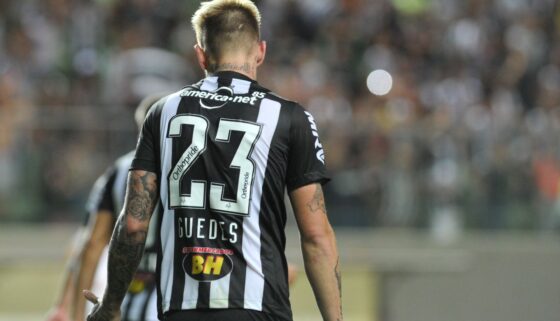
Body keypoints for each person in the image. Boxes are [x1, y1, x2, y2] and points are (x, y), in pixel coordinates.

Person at [85, 1, 342, 321]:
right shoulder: (290, 118)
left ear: (201, 55)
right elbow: (316, 237)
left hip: (182, 308)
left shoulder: (163, 112)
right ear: (260, 51)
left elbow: (134, 224)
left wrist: (110, 306)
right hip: (259, 309)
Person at [45, 94, 164, 321]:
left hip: (128, 293)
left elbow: (91, 243)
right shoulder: (193, 167)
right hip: (178, 294)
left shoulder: (119, 170)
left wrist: (73, 313)